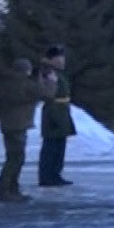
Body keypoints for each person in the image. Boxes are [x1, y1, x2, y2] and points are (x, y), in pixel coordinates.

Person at [0, 58, 45, 203]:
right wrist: (47, 81)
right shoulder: (26, 84)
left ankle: (10, 189)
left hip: (8, 124)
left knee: (13, 158)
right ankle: (6, 191)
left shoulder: (7, 83)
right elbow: (47, 93)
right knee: (16, 159)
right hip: (18, 125)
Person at [37, 46, 76, 188]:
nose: (63, 60)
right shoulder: (49, 72)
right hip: (53, 112)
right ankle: (47, 177)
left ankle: (55, 175)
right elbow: (48, 95)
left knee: (59, 146)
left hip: (61, 111)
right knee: (51, 147)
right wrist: (55, 116)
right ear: (53, 59)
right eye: (60, 58)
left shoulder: (58, 72)